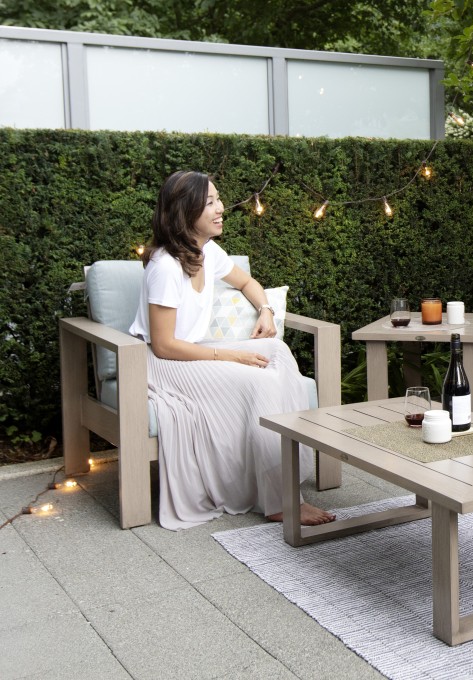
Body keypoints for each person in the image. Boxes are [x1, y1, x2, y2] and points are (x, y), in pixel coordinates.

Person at [128, 170, 335, 530]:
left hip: (194, 351)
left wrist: (266, 310)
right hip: (162, 363)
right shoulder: (164, 266)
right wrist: (231, 355)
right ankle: (279, 501)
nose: (221, 208)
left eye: (218, 199)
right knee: (261, 383)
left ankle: (285, 476)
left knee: (277, 350)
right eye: (210, 203)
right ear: (184, 212)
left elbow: (247, 281)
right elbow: (163, 345)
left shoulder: (206, 250)